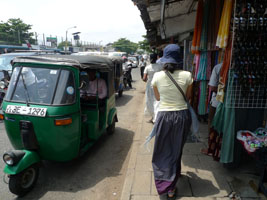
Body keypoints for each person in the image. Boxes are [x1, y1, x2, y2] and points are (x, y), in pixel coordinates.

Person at [151, 44, 193, 199]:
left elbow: (158, 98)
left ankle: (166, 184)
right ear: (179, 59)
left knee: (162, 150)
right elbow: (188, 98)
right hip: (182, 116)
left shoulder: (157, 76)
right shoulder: (188, 75)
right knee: (176, 149)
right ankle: (172, 184)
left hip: (164, 116)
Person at [201, 62, 223, 160]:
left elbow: (213, 87)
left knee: (213, 124)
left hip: (217, 102)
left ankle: (212, 149)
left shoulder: (219, 67)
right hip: (233, 103)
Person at [143, 53, 162, 124]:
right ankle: (156, 118)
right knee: (157, 101)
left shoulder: (147, 67)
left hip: (150, 85)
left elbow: (144, 78)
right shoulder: (160, 66)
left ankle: (153, 117)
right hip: (158, 85)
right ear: (157, 58)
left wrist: (148, 80)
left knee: (150, 101)